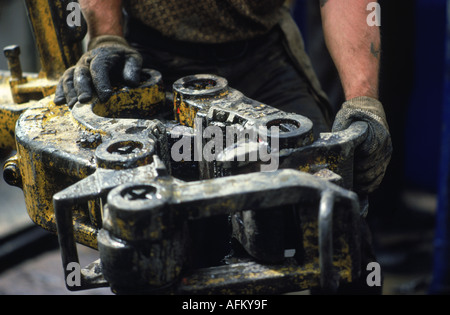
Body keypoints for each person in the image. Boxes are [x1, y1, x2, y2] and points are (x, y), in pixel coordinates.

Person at [54, 0, 392, 292]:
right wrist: (106, 35)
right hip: (154, 58)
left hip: (265, 57)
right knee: (160, 237)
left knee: (338, 219)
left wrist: (363, 98)